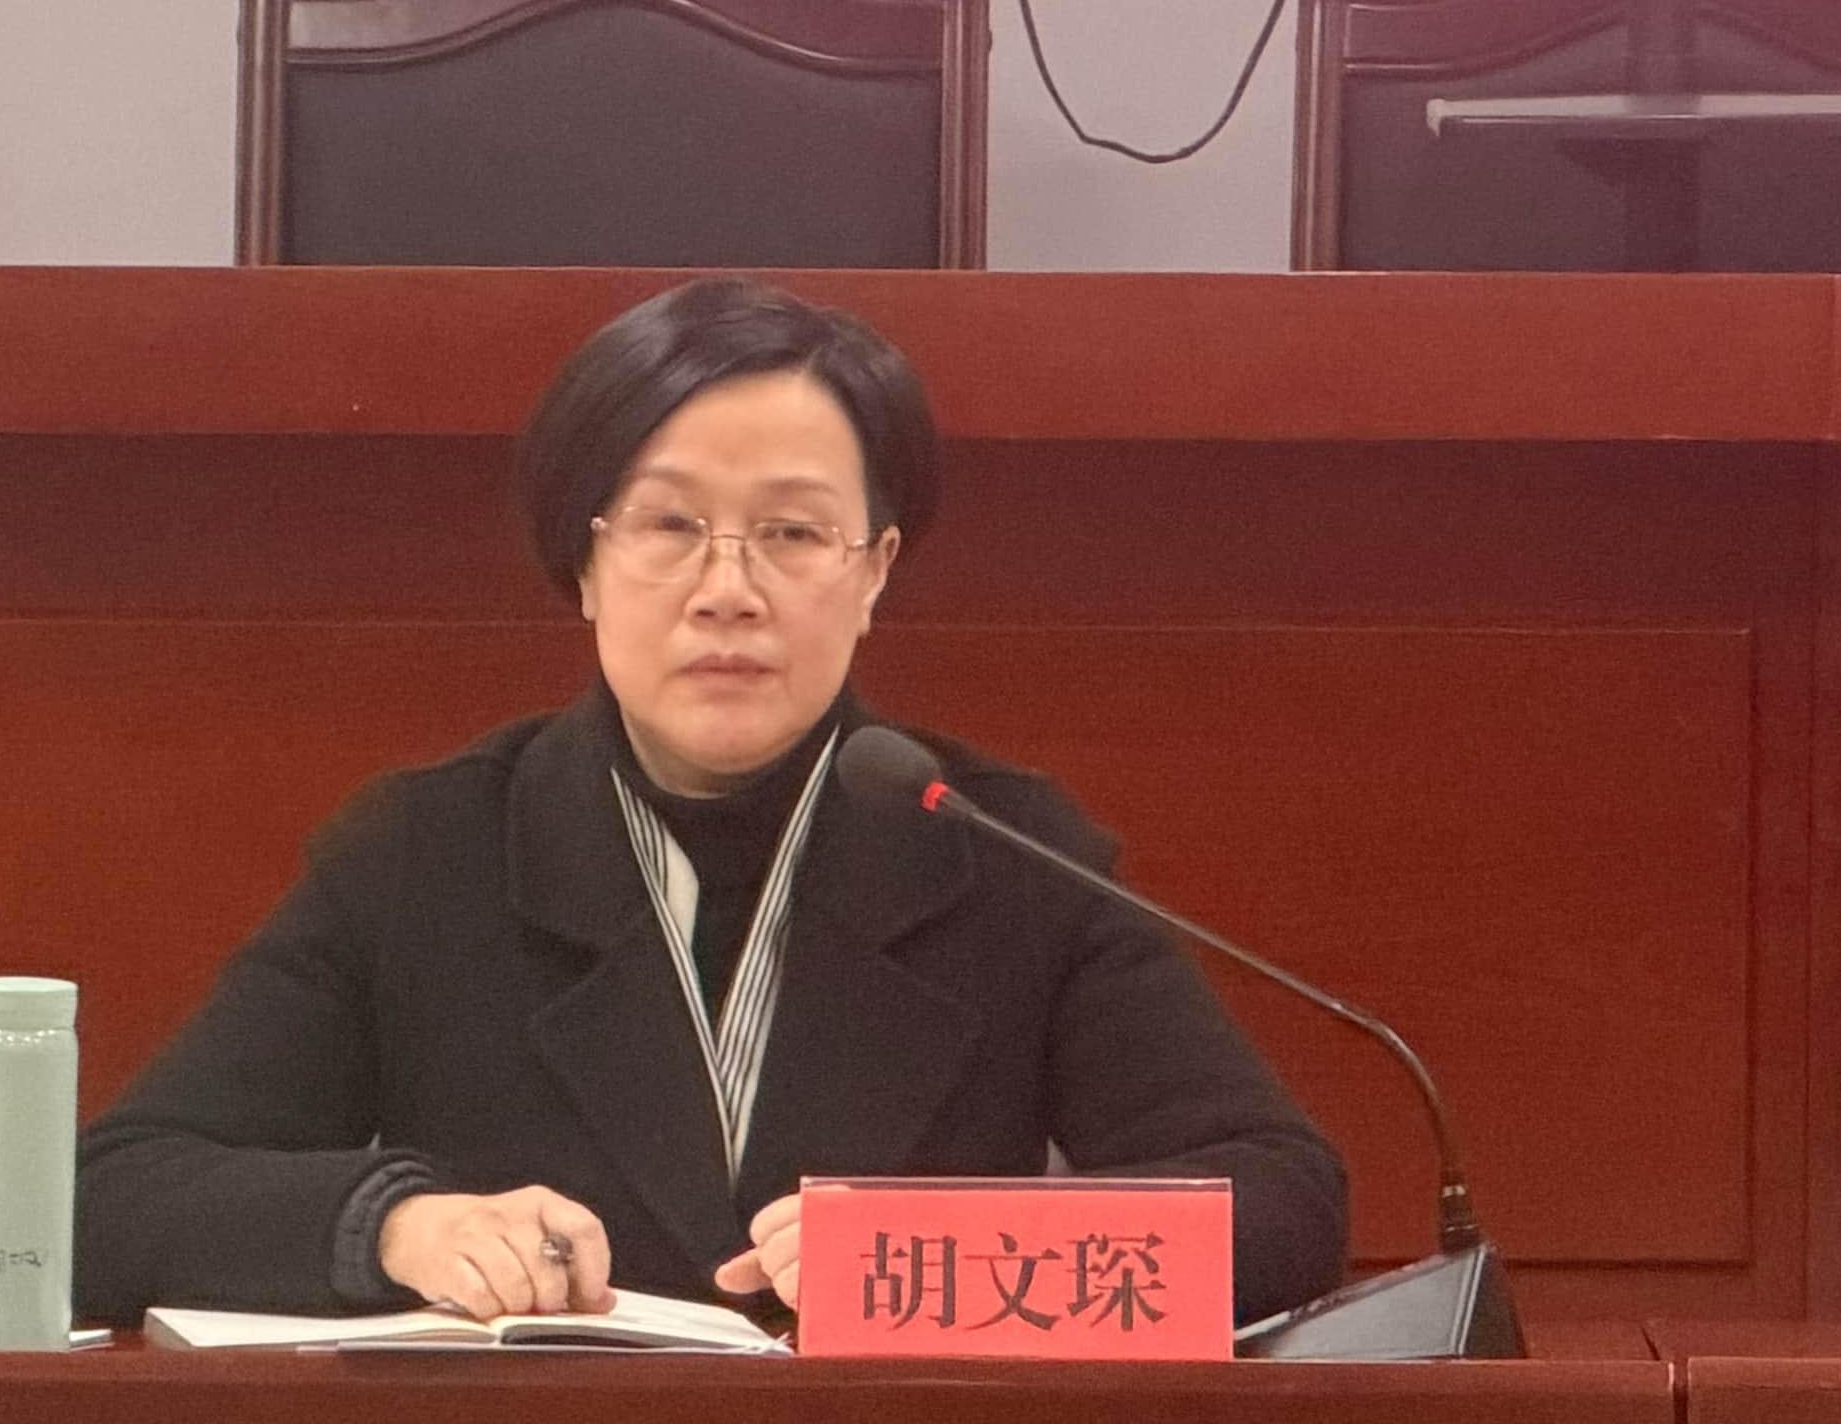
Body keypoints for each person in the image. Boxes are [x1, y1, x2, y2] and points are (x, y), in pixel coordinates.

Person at [75, 276, 1347, 1328]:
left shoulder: (1001, 848)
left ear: (875, 571)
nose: (726, 588)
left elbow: (1285, 1196)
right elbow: (112, 1193)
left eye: (792, 534)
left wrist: (940, 1249)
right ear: (585, 561)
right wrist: (394, 1222)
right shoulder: (424, 851)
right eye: (669, 524)